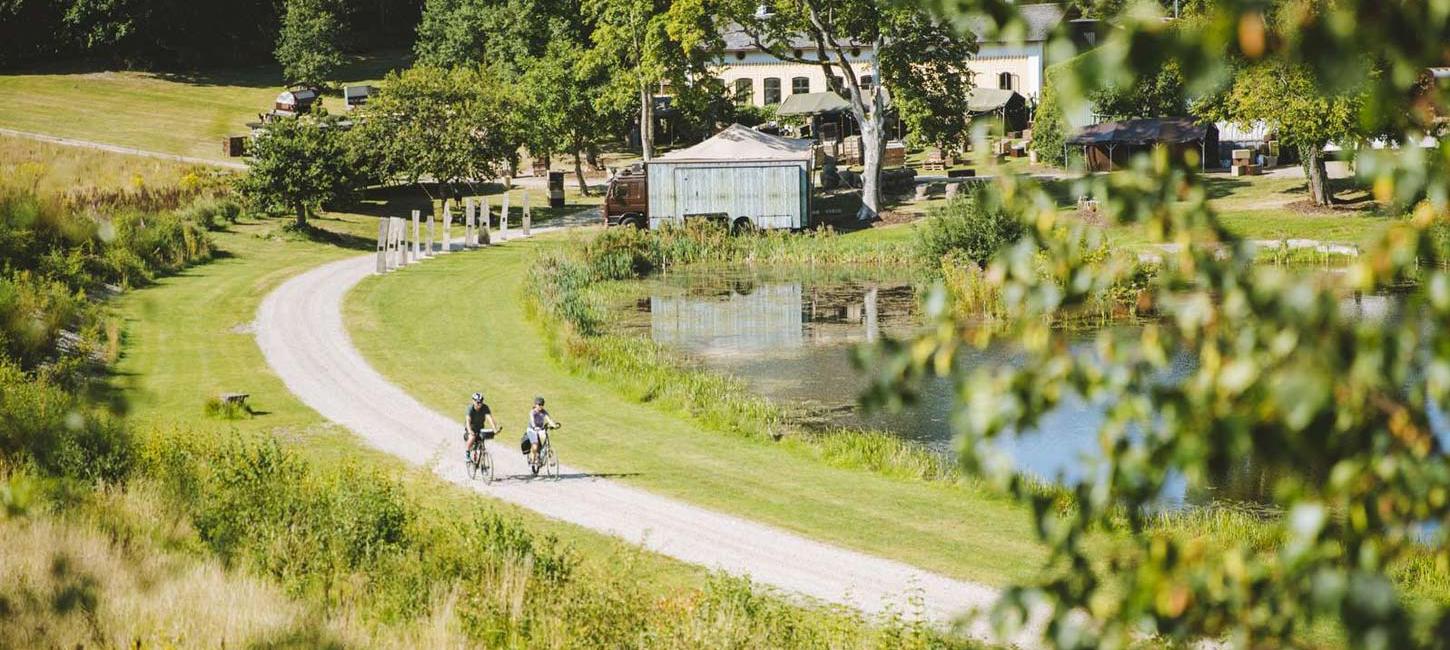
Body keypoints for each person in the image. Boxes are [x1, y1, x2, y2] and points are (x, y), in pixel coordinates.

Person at [521, 396, 560, 472]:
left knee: (547, 442)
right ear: (535, 405)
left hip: (540, 430)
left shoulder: (544, 412)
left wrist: (554, 425)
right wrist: (535, 427)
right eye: (539, 404)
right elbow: (532, 420)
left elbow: (549, 419)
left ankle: (550, 459)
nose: (540, 406)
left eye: (542, 404)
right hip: (532, 430)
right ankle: (532, 460)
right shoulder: (532, 412)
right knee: (535, 446)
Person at [463, 392, 499, 461]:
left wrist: (494, 429)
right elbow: (468, 421)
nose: (480, 404)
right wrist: (470, 431)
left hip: (480, 429)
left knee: (483, 439)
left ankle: (482, 461)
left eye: (481, 402)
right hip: (471, 429)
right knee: (472, 437)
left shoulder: (485, 407)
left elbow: (489, 418)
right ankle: (467, 454)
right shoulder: (470, 409)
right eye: (478, 402)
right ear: (473, 401)